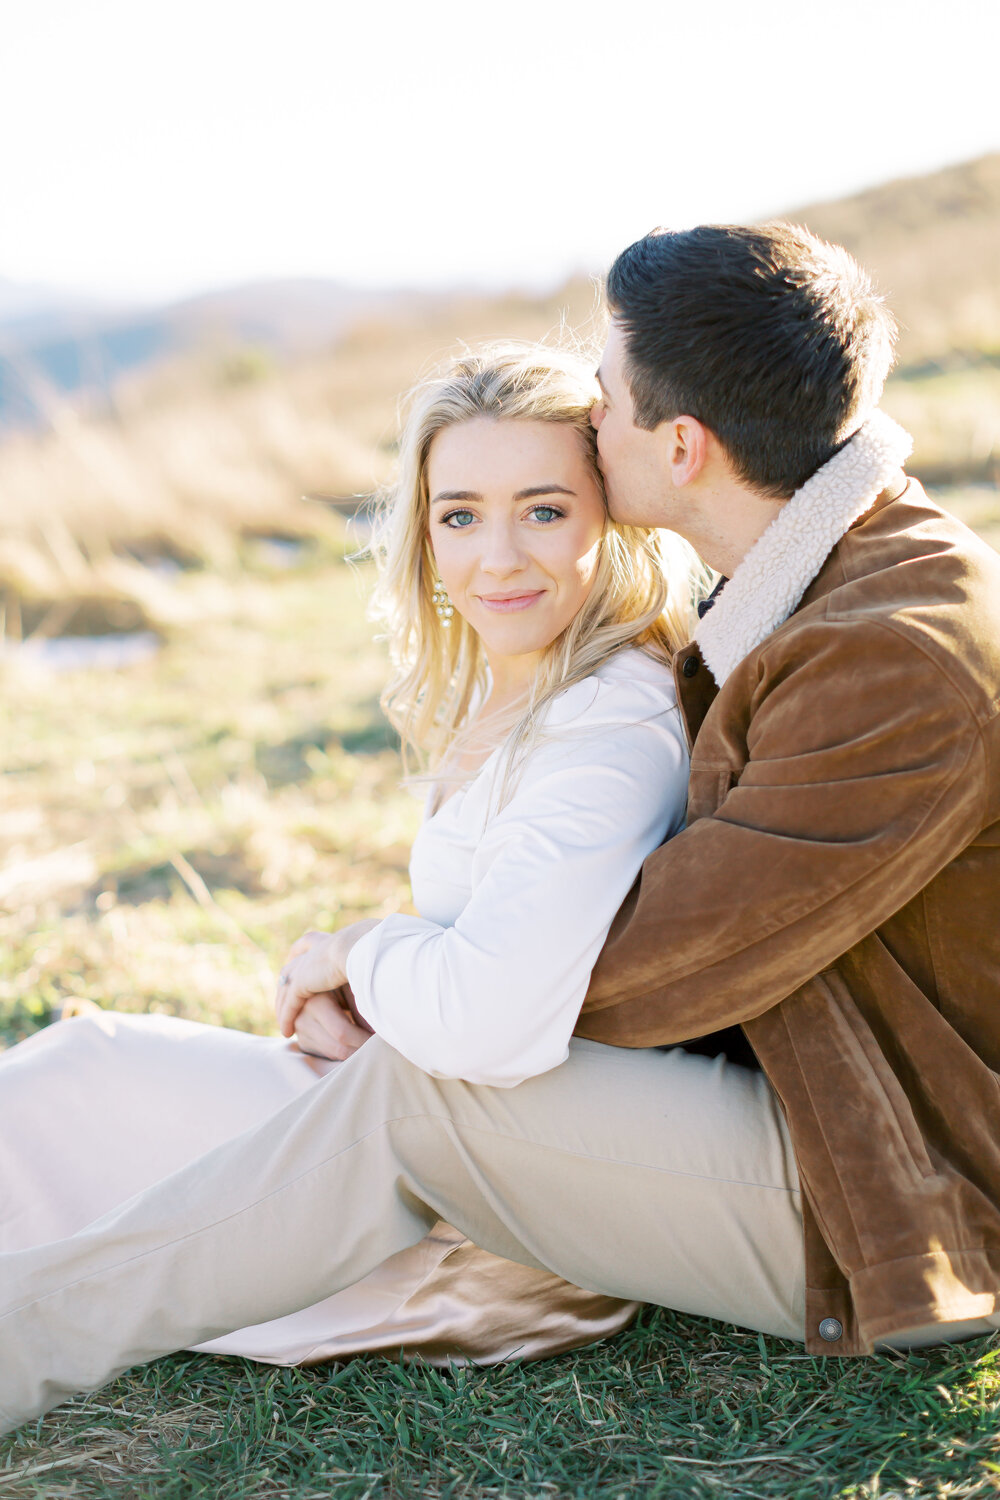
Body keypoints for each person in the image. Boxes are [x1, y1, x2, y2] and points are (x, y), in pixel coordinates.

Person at [4, 219, 1000, 1435]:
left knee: (433, 1088)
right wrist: (424, 984)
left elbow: (627, 973)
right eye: (460, 515)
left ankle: (23, 1345)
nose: (594, 415)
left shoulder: (889, 651)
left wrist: (386, 968)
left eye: (612, 401)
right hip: (802, 1120)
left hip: (904, 1198)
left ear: (679, 443)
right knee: (105, 1064)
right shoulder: (814, 599)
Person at [0, 345, 697, 1398]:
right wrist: (377, 998)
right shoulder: (530, 690)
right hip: (429, 1116)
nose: (496, 559)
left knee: (85, 1075)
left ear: (613, 516)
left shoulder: (612, 721)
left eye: (543, 511)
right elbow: (521, 948)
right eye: (459, 515)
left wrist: (359, 951)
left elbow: (493, 1020)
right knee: (79, 1085)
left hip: (483, 1214)